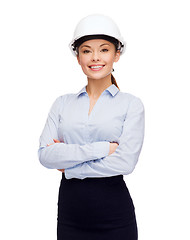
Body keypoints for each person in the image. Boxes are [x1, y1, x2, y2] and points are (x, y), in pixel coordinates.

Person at [38, 14, 145, 240]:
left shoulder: (131, 104)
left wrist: (71, 167)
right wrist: (104, 148)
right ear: (78, 57)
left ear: (117, 54)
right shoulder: (62, 103)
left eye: (104, 49)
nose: (95, 57)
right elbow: (46, 155)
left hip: (116, 218)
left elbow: (125, 162)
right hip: (70, 217)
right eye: (87, 50)